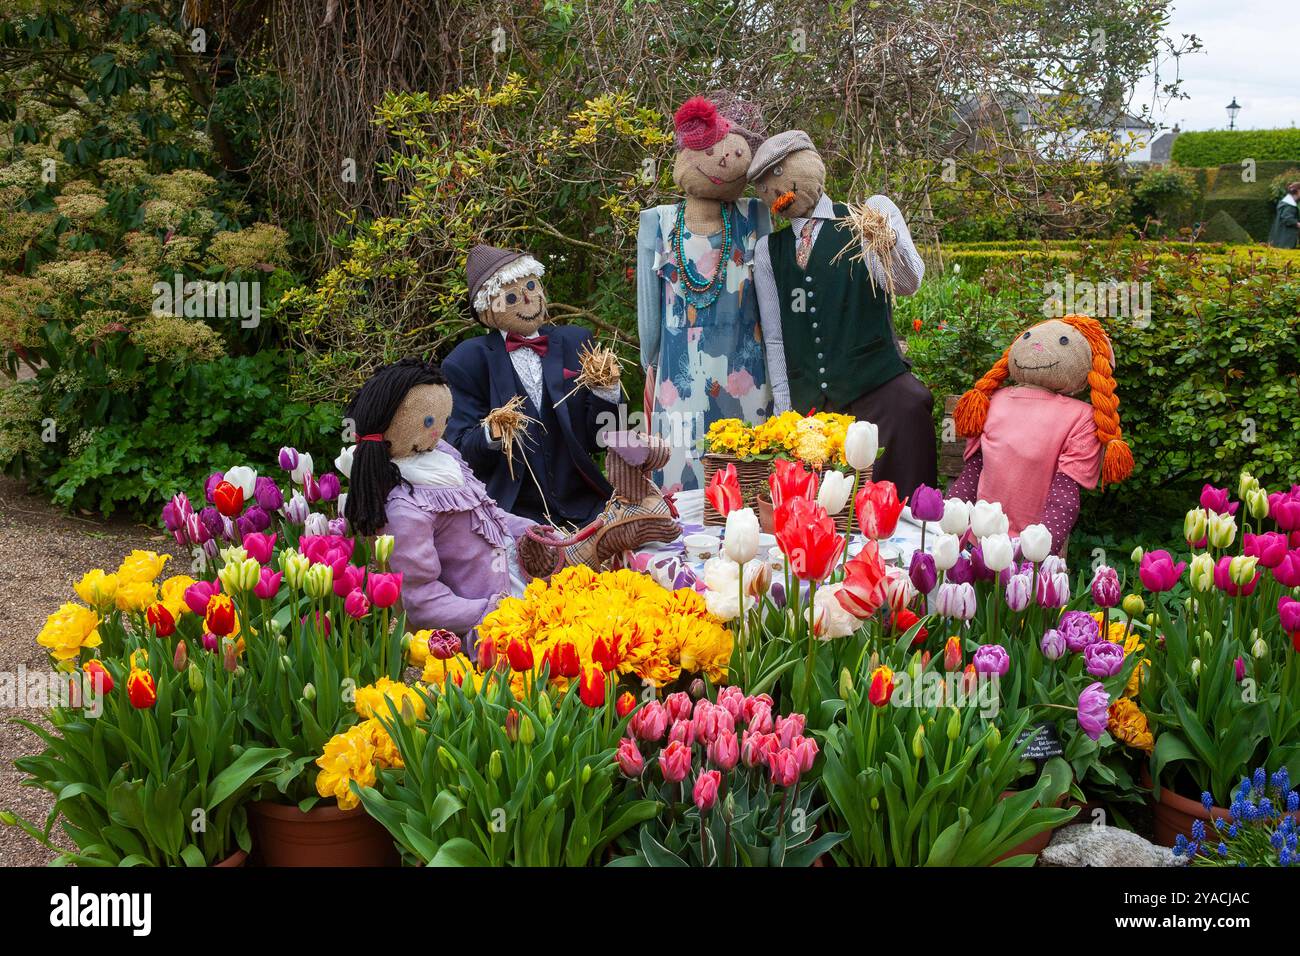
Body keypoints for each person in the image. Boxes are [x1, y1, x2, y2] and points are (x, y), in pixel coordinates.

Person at [747, 129, 937, 500]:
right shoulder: (770, 251)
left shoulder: (864, 218)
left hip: (877, 390)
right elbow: (775, 336)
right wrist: (786, 414)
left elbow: (907, 283)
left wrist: (887, 240)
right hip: (812, 407)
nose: (776, 189)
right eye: (764, 184)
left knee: (910, 409)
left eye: (780, 173)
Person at [636, 92, 772, 492]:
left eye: (732, 151)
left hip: (746, 370)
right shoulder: (658, 223)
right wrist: (650, 364)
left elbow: (771, 299)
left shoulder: (753, 216)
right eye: (713, 151)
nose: (726, 160)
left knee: (749, 480)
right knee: (682, 478)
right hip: (678, 379)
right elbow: (649, 308)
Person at [443, 244, 619, 527]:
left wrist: (606, 391)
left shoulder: (576, 342)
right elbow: (462, 453)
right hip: (513, 514)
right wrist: (491, 432)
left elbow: (602, 438)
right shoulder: (467, 361)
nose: (527, 299)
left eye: (532, 287)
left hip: (584, 505)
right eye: (511, 296)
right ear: (487, 311)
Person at [1268, 182, 1300, 249]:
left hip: (1280, 237)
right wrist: (1297, 224)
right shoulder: (1289, 205)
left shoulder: (1286, 203)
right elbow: (1287, 219)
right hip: (1285, 239)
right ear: (1298, 191)